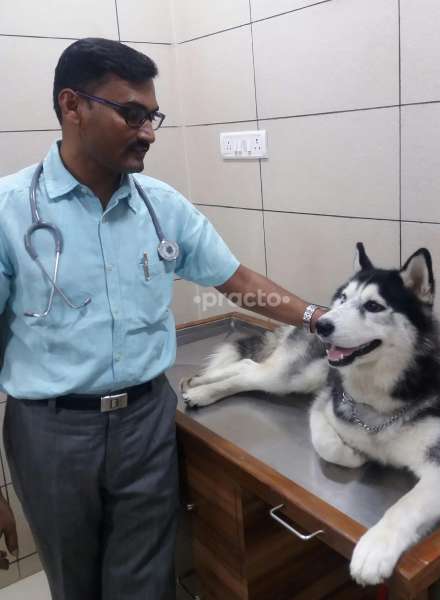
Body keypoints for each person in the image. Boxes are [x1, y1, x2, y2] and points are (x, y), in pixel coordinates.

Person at [0, 38, 324, 600]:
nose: (147, 131)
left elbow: (239, 282)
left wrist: (323, 319)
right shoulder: (10, 212)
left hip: (147, 422)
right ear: (72, 106)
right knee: (74, 584)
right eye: (131, 114)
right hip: (49, 432)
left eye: (152, 116)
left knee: (147, 585)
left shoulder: (161, 206)